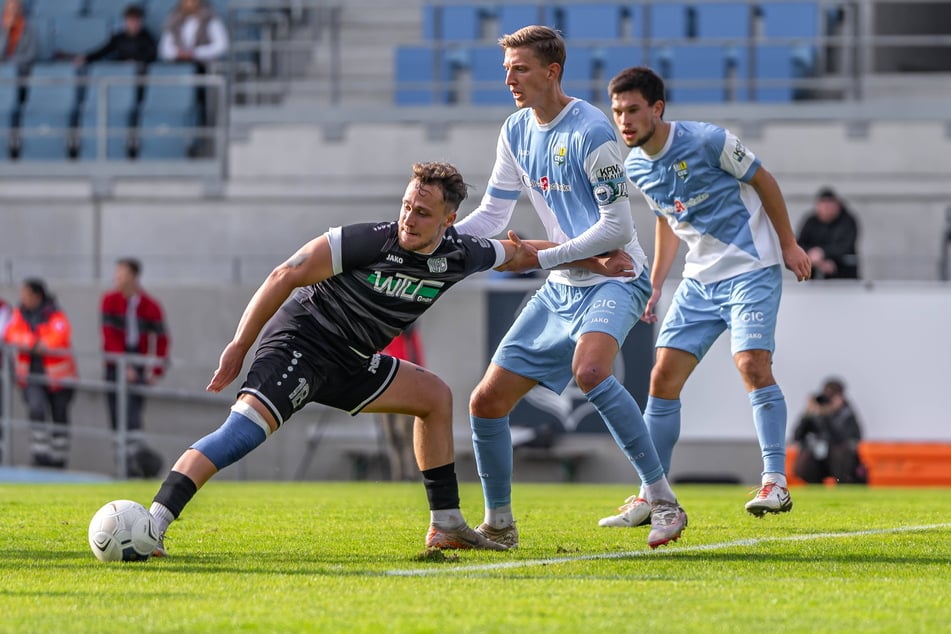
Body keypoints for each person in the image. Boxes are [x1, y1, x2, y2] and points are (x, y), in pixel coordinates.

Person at [145, 161, 630, 556]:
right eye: (406, 206)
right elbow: (284, 274)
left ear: (448, 221)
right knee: (244, 432)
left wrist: (595, 261)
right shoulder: (368, 241)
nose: (408, 219)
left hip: (353, 360)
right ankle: (155, 521)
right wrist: (239, 345)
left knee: (435, 397)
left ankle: (445, 524)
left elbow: (524, 254)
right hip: (302, 342)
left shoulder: (460, 254)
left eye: (422, 212)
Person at [451, 26, 687, 551]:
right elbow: (492, 214)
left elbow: (617, 230)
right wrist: (437, 239)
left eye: (521, 68)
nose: (509, 78)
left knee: (592, 369)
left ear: (552, 72)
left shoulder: (592, 131)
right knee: (485, 403)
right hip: (562, 284)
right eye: (507, 68)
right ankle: (500, 526)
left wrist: (541, 257)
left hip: (617, 275)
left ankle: (663, 500)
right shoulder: (514, 130)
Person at [602, 66, 812, 524]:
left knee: (752, 364)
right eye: (617, 111)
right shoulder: (635, 166)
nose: (624, 121)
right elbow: (666, 222)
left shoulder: (706, 140)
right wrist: (656, 283)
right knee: (662, 379)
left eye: (633, 110)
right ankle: (651, 494)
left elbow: (764, 180)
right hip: (699, 282)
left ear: (657, 108)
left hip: (751, 268)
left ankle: (775, 481)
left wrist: (788, 243)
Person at [101, 257, 170, 478]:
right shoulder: (109, 301)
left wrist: (154, 370)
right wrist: (124, 366)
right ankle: (127, 465)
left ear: (133, 276)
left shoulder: (150, 306)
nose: (117, 278)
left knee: (132, 417)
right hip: (115, 365)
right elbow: (109, 336)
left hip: (138, 363)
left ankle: (135, 466)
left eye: (121, 274)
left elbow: (161, 338)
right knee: (116, 417)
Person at [2, 279, 78, 468]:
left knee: (59, 416)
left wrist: (36, 343)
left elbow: (58, 337)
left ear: (37, 295)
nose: (22, 298)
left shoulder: (55, 314)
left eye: (26, 294)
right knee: (36, 410)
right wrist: (34, 343)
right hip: (30, 376)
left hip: (59, 380)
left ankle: (59, 460)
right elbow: (11, 334)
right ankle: (40, 457)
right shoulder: (20, 314)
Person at [792, 378, 866, 484]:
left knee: (841, 454)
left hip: (839, 459)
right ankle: (814, 484)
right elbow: (797, 436)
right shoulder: (815, 412)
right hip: (818, 457)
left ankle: (843, 484)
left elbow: (849, 437)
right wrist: (807, 414)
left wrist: (828, 414)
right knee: (806, 457)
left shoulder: (846, 414)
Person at [376, 323, 425, 481]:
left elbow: (418, 359)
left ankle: (411, 474)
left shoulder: (408, 332)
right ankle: (398, 474)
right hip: (383, 388)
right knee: (391, 435)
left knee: (406, 432)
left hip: (405, 387)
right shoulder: (380, 332)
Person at [796, 187, 860, 279]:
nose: (827, 208)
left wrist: (823, 253)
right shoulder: (811, 221)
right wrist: (818, 261)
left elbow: (845, 245)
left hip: (844, 275)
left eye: (830, 204)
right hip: (814, 277)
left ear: (838, 205)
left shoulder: (847, 221)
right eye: (823, 204)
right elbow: (800, 244)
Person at [74, 4, 158, 68]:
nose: (133, 24)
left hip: (139, 74)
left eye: (136, 21)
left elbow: (151, 55)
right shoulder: (119, 38)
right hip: (120, 71)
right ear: (125, 21)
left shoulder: (148, 38)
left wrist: (137, 62)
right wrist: (87, 58)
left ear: (141, 22)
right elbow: (104, 51)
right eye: (130, 21)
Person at [157, 0, 229, 69]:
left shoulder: (210, 19)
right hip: (179, 66)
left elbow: (222, 46)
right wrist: (178, 53)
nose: (189, 3)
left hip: (204, 67)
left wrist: (196, 53)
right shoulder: (174, 20)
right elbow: (164, 49)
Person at [0, 0, 36, 71]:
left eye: (15, 8)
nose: (13, 12)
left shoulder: (29, 29)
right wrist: (6, 31)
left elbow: (31, 54)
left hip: (22, 68)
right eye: (10, 10)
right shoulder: (2, 29)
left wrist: (12, 61)